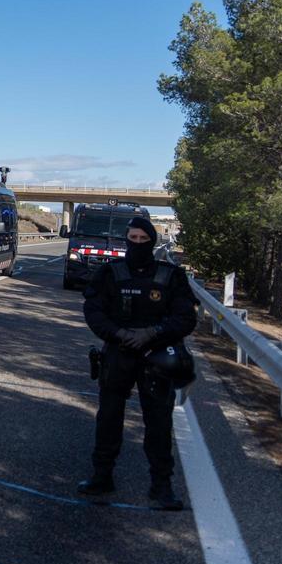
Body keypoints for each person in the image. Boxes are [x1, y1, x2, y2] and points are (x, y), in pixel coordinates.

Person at [79, 216, 196, 510]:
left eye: (144, 240)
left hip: (156, 356)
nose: (138, 244)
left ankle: (162, 486)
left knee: (158, 422)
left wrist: (153, 333)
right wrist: (117, 333)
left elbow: (186, 317)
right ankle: (101, 476)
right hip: (118, 353)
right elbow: (93, 310)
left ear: (153, 241)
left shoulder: (171, 276)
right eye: (133, 239)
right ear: (126, 240)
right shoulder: (109, 273)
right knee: (108, 419)